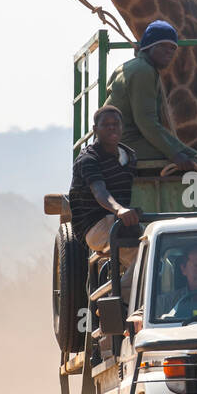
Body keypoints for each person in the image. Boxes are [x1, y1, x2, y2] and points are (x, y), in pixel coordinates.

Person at [104, 20, 197, 173]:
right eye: (163, 46)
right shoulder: (143, 71)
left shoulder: (129, 67)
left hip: (113, 142)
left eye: (172, 48)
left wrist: (187, 152)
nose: (168, 52)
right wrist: (178, 155)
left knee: (188, 155)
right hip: (124, 144)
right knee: (184, 163)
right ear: (149, 46)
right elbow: (147, 122)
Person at [69, 105, 139, 274]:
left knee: (155, 249)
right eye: (105, 124)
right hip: (95, 225)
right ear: (95, 129)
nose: (111, 127)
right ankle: (124, 297)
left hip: (119, 222)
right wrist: (120, 209)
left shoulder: (129, 156)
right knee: (143, 258)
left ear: (122, 127)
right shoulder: (88, 159)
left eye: (116, 123)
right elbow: (100, 192)